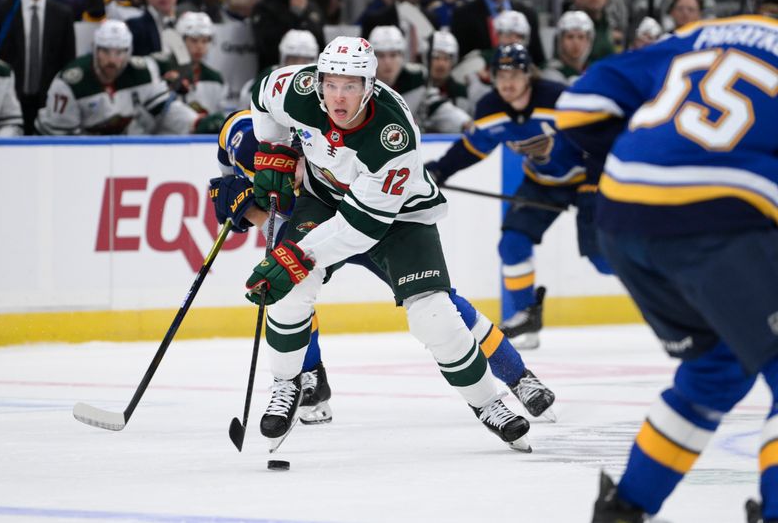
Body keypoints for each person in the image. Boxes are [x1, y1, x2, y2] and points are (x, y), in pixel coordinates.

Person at [243, 35, 535, 452]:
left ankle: (489, 403)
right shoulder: (300, 89)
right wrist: (272, 148)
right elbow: (260, 95)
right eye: (331, 83)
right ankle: (286, 385)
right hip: (324, 198)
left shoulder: (393, 135)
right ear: (319, 80)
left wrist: (298, 255)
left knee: (434, 314)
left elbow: (359, 227)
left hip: (399, 218)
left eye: (350, 86)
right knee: (290, 292)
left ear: (369, 87)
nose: (338, 97)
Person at [554, 14, 778, 522]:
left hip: (623, 216)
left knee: (716, 368)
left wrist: (657, 158)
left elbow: (578, 106)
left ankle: (625, 510)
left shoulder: (703, 33)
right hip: (720, 221)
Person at [211, 109, 558, 424]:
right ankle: (311, 378)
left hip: (376, 218)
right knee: (292, 283)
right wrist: (241, 206)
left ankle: (519, 376)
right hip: (321, 217)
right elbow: (255, 190)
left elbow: (358, 201)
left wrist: (257, 213)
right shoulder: (246, 141)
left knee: (437, 304)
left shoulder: (337, 133)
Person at [426, 44, 613, 349]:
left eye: (515, 74)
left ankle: (660, 279)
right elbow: (473, 147)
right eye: (501, 75)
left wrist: (594, 186)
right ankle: (527, 315)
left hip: (588, 178)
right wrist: (439, 171)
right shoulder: (490, 109)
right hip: (542, 181)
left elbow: (600, 137)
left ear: (529, 75)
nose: (507, 82)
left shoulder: (558, 99)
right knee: (512, 242)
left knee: (602, 258)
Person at [35, 19, 218, 135]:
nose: (113, 60)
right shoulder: (70, 82)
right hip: (76, 156)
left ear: (129, 52)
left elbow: (165, 109)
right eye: (106, 51)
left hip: (122, 151)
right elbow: (59, 140)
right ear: (95, 49)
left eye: (120, 52)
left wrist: (196, 122)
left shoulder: (142, 72)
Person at [0, 0, 75, 134]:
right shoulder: (0, 10)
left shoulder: (63, 13)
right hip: (9, 104)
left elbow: (68, 62)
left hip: (47, 104)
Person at [368, 25, 471, 133]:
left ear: (402, 56)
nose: (387, 62)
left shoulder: (416, 80)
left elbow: (438, 108)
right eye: (381, 55)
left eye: (393, 55)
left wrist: (464, 122)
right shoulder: (360, 83)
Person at [151, 11, 228, 116]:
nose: (200, 47)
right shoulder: (161, 70)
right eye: (194, 40)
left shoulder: (215, 79)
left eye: (205, 41)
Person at [238, 29, 319, 109]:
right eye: (294, 59)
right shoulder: (267, 78)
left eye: (305, 61)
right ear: (283, 58)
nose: (299, 65)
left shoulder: (320, 83)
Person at [541, 10, 594, 85]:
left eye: (581, 37)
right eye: (570, 37)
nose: (576, 43)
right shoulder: (550, 73)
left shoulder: (594, 70)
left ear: (589, 41)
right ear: (560, 40)